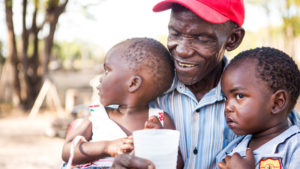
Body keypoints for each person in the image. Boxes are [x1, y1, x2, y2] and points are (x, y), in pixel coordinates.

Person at [111, 0, 300, 169]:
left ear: (233, 39)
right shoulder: (143, 92)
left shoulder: (267, 102)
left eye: (201, 38)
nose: (182, 51)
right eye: (175, 33)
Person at [61, 37, 182, 168]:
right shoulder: (96, 114)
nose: (101, 78)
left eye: (107, 70)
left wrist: (160, 140)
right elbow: (67, 151)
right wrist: (106, 147)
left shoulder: (160, 119)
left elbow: (178, 164)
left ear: (133, 83)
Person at [216, 47, 300, 169]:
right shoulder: (232, 150)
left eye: (239, 96)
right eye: (225, 98)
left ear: (277, 103)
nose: (228, 107)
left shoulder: (294, 148)